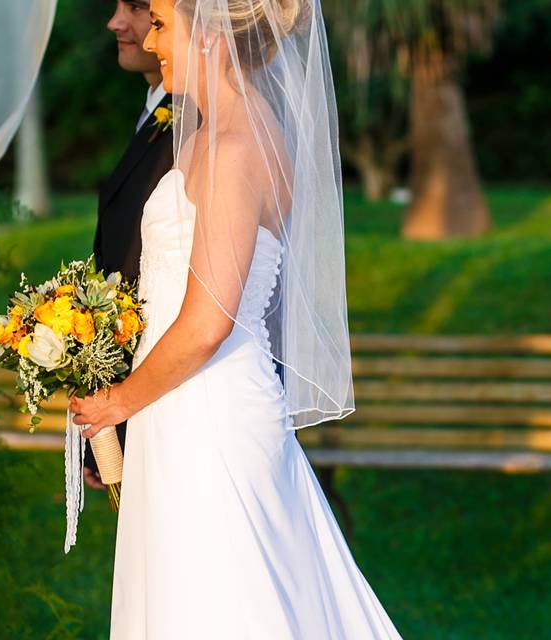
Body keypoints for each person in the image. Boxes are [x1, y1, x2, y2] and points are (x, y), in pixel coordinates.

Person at [70, 0, 402, 636]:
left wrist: (118, 403)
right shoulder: (206, 135)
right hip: (180, 409)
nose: (155, 41)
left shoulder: (233, 144)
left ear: (212, 33)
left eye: (164, 24)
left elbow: (208, 321)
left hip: (209, 417)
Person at [83, 0, 175, 490]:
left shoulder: (198, 126)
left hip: (169, 398)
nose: (115, 22)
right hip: (135, 396)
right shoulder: (157, 113)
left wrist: (120, 405)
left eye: (138, 8)